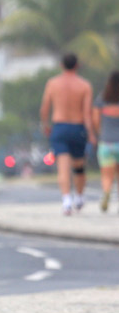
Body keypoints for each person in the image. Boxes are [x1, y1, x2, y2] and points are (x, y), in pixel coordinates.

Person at [40, 53, 97, 215]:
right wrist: (91, 133)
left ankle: (66, 201)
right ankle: (79, 197)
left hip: (59, 127)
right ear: (77, 66)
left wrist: (45, 125)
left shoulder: (52, 83)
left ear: (61, 65)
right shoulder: (84, 85)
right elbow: (87, 113)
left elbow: (44, 108)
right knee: (79, 167)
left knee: (62, 167)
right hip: (78, 128)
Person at [91, 70, 119, 212]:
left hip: (106, 143)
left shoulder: (102, 98)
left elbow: (95, 120)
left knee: (106, 174)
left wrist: (100, 134)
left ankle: (107, 192)